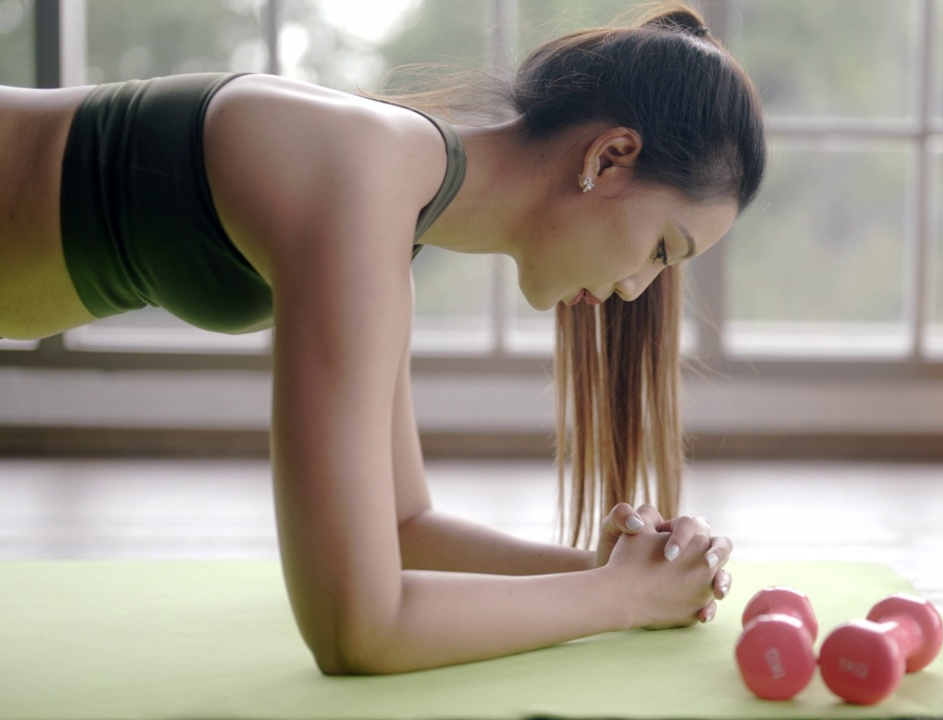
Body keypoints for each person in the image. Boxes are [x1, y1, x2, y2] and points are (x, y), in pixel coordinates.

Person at [0, 2, 766, 674]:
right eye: (664, 249)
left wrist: (607, 568)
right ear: (608, 157)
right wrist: (616, 599)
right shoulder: (362, 178)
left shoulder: (393, 195)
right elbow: (356, 629)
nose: (637, 288)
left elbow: (402, 530)